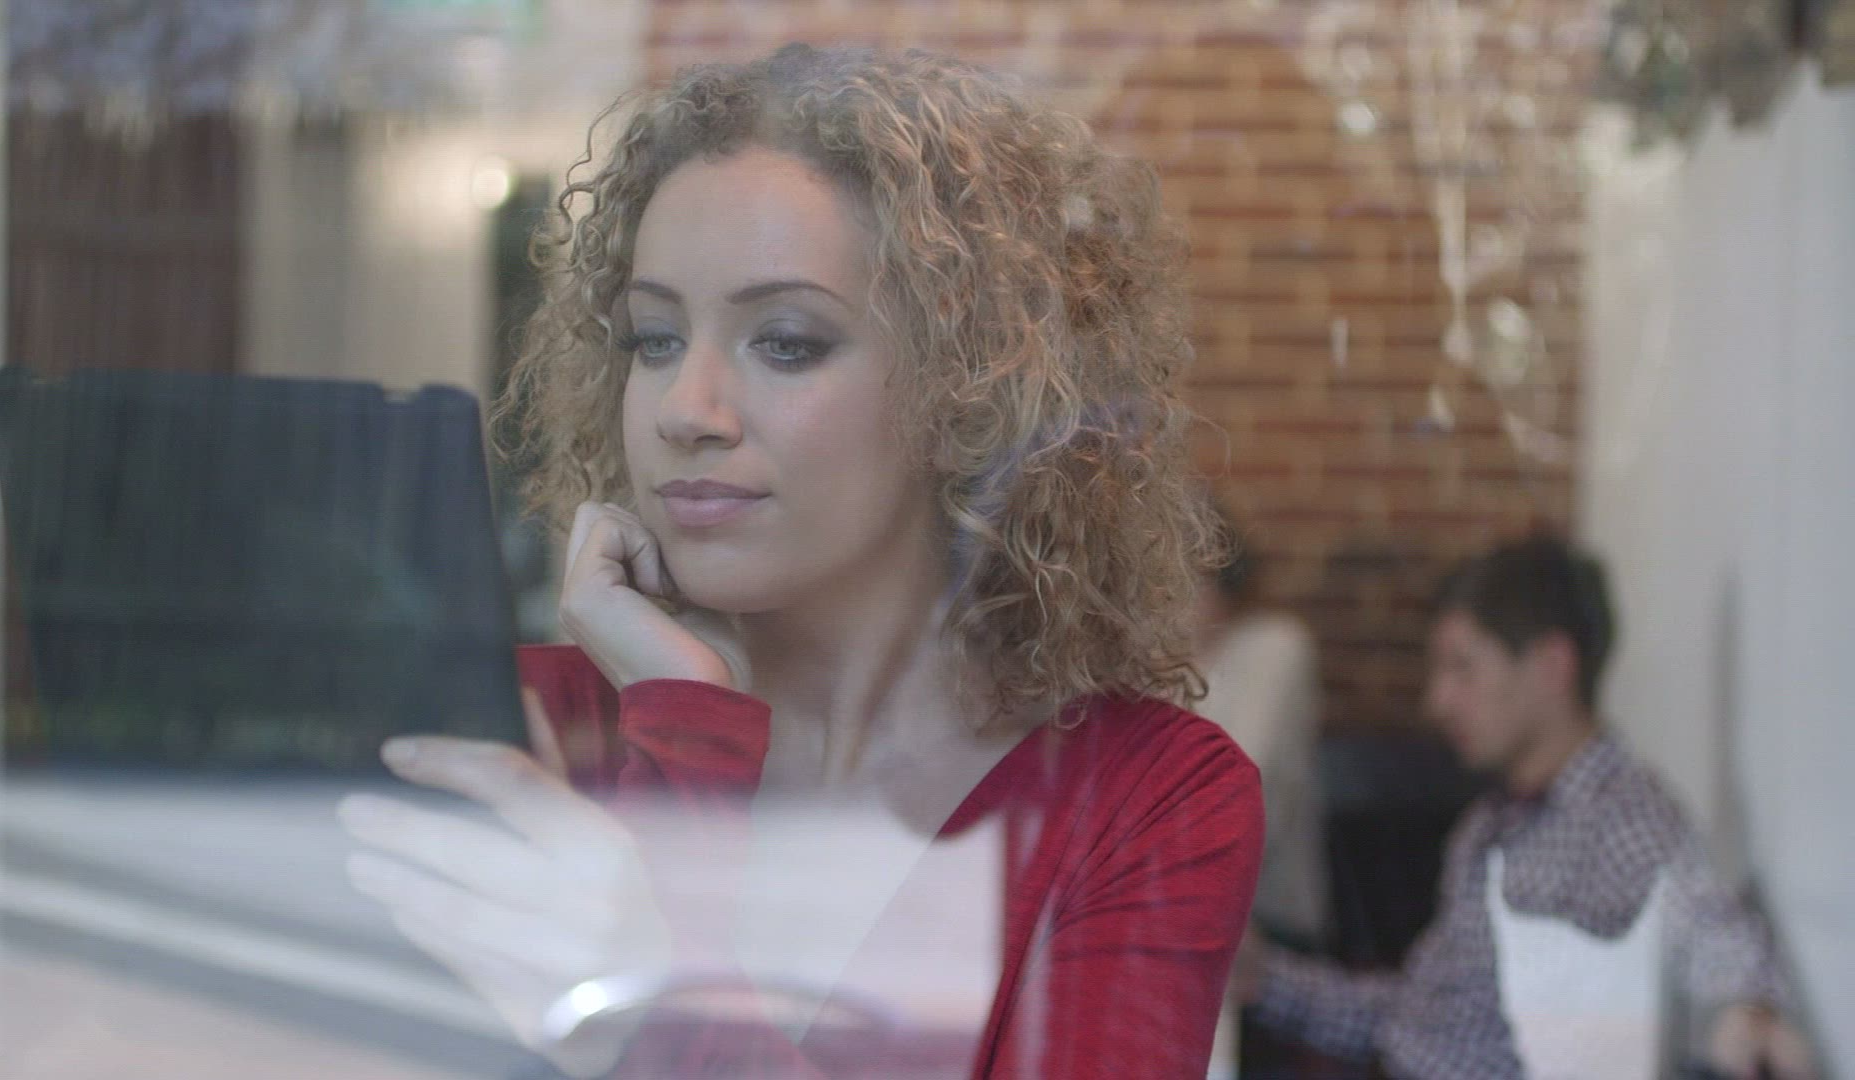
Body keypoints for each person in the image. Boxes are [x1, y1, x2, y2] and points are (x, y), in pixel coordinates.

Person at [339, 44, 1263, 1079]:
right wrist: (684, 725)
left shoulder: (1145, 799)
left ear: (969, 391)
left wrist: (657, 1008)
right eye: (653, 339)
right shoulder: (515, 730)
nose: (686, 411)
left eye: (785, 342)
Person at [1229, 535, 1816, 1080]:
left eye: (1463, 668)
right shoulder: (1490, 823)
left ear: (1551, 667)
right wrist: (1263, 978)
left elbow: (1715, 935)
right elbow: (1421, 1016)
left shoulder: (1616, 813)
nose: (1438, 701)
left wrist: (1751, 1015)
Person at [1186, 523, 1327, 1079]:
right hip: (1177, 922)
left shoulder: (1276, 647)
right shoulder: (1145, 664)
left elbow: (1242, 793)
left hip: (1271, 928)